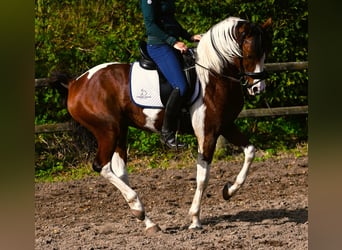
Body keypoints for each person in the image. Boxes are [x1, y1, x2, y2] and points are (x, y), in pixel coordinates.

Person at [140, 0, 201, 149]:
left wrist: (189, 36)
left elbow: (171, 21)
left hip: (172, 44)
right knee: (181, 86)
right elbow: (150, 25)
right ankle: (167, 134)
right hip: (159, 46)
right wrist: (173, 42)